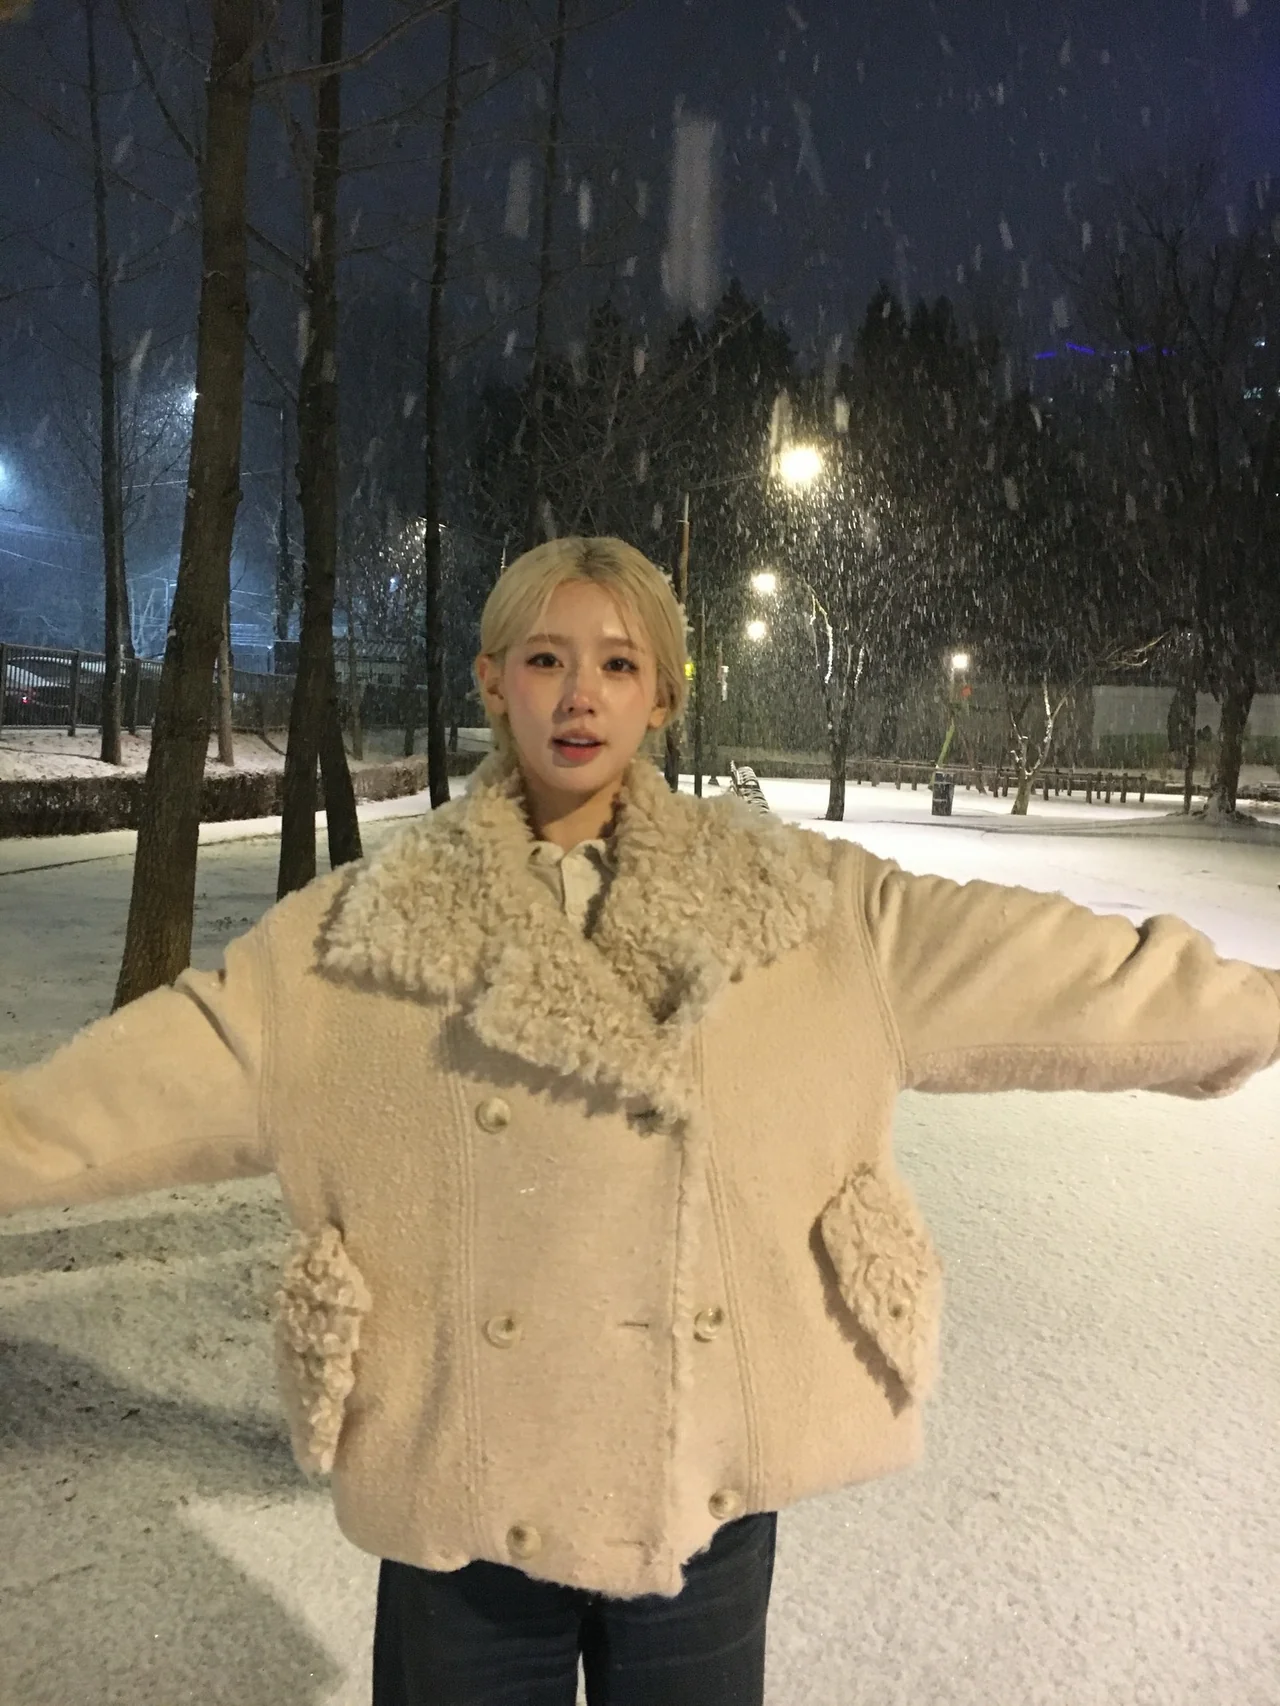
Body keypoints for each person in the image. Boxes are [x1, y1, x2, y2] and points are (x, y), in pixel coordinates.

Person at [1, 535, 1277, 1706]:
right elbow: (124, 1093)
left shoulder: (807, 906)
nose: (579, 695)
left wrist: (1251, 1008)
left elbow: (1062, 975)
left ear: (662, 696)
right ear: (492, 680)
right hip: (464, 1491)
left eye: (617, 664)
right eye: (545, 659)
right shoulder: (349, 943)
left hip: (699, 1501)